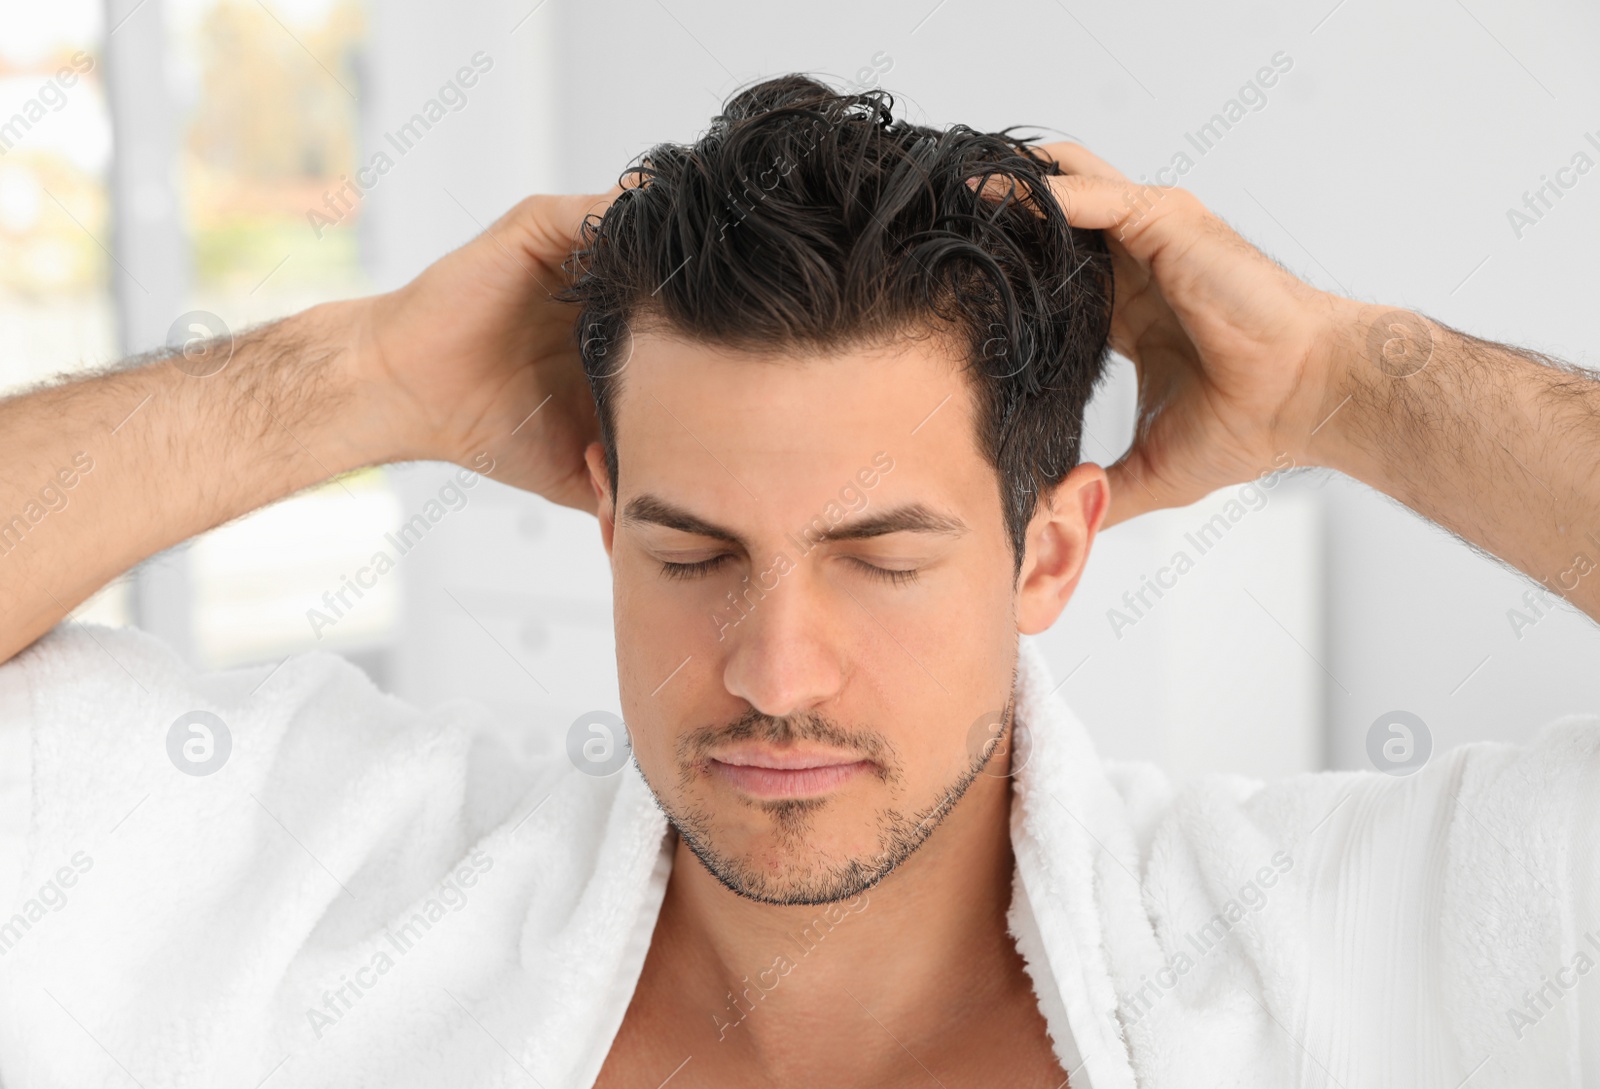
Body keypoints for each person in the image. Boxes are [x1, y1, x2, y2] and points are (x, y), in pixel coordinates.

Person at [0, 73, 1596, 1089]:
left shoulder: (1359, 950)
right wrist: (353, 376)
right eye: (691, 552)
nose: (775, 666)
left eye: (880, 558)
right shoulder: (328, 908)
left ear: (1049, 550)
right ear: (602, 513)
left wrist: (1347, 377)